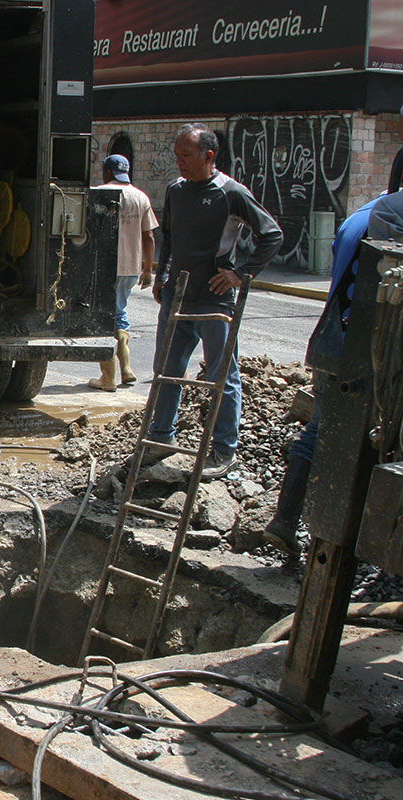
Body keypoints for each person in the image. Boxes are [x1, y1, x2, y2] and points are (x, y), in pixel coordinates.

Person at [146, 123, 283, 480]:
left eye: (186, 156)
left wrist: (240, 272)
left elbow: (271, 234)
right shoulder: (176, 190)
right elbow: (171, 238)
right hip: (178, 296)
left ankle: (224, 449)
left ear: (208, 156)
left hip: (215, 299)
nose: (180, 163)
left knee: (223, 374)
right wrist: (163, 275)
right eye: (176, 156)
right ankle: (161, 438)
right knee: (167, 370)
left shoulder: (231, 193)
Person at [262, 190, 388, 556]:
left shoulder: (359, 217)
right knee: (374, 439)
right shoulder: (389, 219)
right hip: (368, 347)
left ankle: (287, 521)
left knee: (322, 427)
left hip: (332, 341)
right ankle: (349, 538)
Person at [89, 154, 158, 391]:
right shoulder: (141, 197)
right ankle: (126, 368)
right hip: (130, 267)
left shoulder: (97, 193)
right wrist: (148, 269)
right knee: (119, 314)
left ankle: (108, 378)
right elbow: (149, 236)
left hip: (103, 268)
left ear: (107, 172)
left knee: (102, 319)